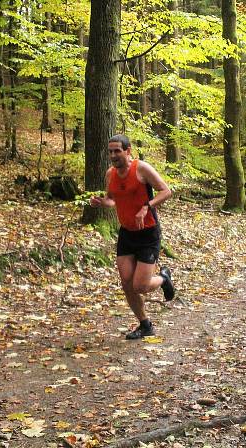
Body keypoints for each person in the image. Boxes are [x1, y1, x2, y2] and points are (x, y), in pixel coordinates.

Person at [90, 134, 176, 340]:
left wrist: (147, 207)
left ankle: (164, 278)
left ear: (128, 151)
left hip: (148, 233)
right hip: (127, 233)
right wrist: (102, 203)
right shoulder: (110, 174)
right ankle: (145, 324)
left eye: (117, 151)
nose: (113, 155)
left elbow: (166, 191)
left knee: (140, 286)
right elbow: (112, 201)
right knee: (127, 283)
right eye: (110, 151)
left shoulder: (141, 169)